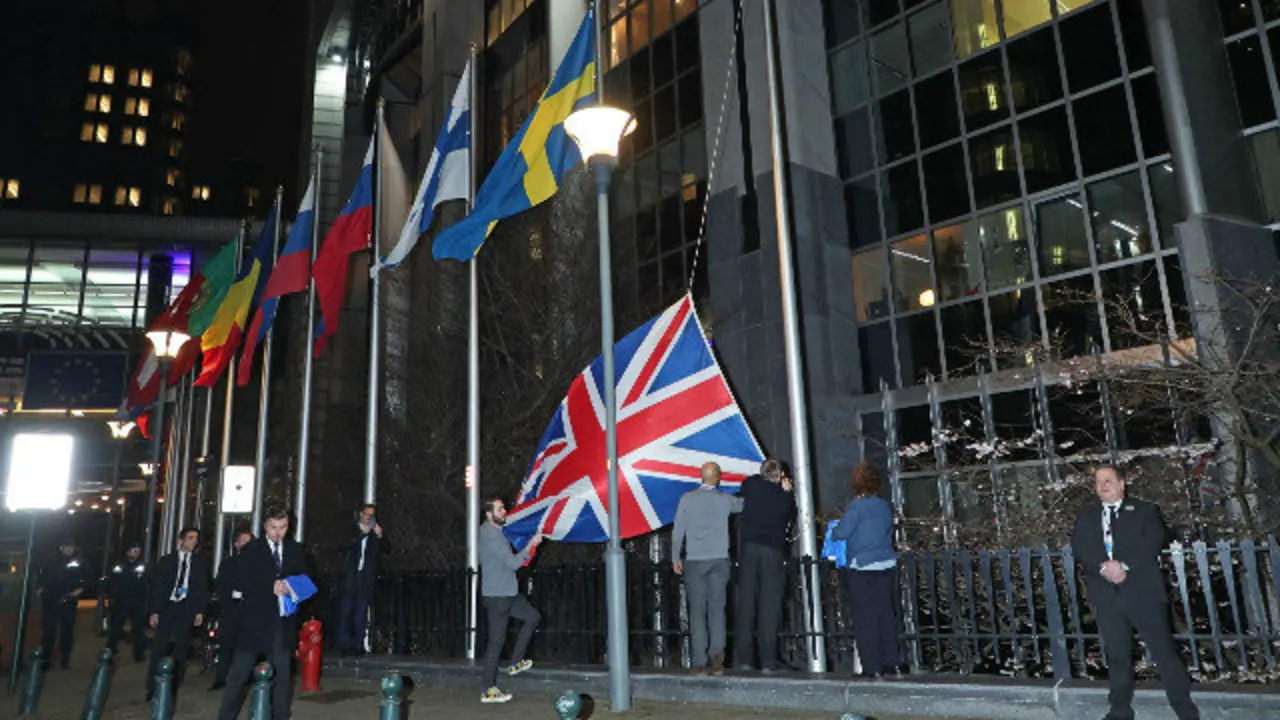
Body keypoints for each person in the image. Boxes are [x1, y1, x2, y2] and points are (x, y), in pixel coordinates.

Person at [1072, 465, 1200, 720]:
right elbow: (1080, 547)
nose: (1102, 485)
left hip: (1143, 595)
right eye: (1098, 482)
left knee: (1164, 652)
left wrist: (1124, 565)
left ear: (1122, 484)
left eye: (1108, 480)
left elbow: (1152, 541)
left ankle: (1184, 710)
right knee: (1117, 655)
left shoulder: (1144, 511)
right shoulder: (1086, 515)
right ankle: (1119, 709)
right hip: (1107, 595)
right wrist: (1103, 567)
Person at [217, 506, 307, 720]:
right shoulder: (252, 550)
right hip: (254, 623)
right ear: (265, 526)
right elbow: (240, 580)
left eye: (283, 527)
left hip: (282, 622)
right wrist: (270, 586)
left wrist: (291, 586)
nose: (278, 533)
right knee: (239, 674)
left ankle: (279, 716)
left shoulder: (295, 550)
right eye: (274, 527)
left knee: (282, 677)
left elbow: (308, 581)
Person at [672, 462, 744, 676]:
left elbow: (678, 533)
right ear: (718, 478)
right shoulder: (724, 500)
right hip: (720, 559)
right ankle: (717, 657)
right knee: (717, 609)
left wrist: (676, 557)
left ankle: (699, 661)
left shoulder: (687, 499)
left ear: (701, 477)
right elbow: (745, 506)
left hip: (695, 560)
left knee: (697, 612)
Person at [832, 463, 901, 679]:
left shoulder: (856, 507)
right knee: (885, 614)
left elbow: (842, 533)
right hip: (886, 563)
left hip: (862, 566)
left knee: (865, 618)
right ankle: (892, 662)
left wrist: (834, 528)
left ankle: (872, 667)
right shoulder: (884, 506)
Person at [733, 458, 795, 673]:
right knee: (769, 606)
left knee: (747, 604)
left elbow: (750, 483)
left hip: (749, 549)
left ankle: (743, 659)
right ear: (779, 477)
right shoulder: (783, 498)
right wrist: (786, 491)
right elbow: (790, 516)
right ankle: (768, 661)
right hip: (772, 551)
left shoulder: (750, 485)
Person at [478, 497, 542, 704]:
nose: (504, 511)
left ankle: (515, 661)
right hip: (498, 597)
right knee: (496, 642)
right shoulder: (491, 535)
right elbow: (514, 563)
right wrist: (531, 544)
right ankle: (488, 689)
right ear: (489, 514)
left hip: (508, 593)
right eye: (500, 509)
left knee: (532, 617)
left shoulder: (494, 532)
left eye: (504, 507)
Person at [148, 527, 209, 699]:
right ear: (180, 540)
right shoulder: (167, 561)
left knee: (181, 649)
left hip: (186, 608)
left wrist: (200, 611)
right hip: (168, 607)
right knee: (159, 647)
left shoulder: (199, 562)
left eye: (196, 538)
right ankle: (152, 687)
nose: (194, 542)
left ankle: (174, 686)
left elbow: (202, 588)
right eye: (190, 538)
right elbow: (158, 588)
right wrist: (155, 611)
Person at [336, 503, 390, 656]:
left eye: (372, 515)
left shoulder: (374, 533)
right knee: (346, 611)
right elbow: (344, 546)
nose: (369, 518)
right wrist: (361, 535)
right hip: (350, 577)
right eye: (367, 514)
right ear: (360, 515)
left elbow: (387, 549)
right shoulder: (351, 530)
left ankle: (358, 646)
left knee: (361, 614)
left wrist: (380, 536)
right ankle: (343, 645)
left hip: (365, 578)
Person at [210, 530, 254, 691]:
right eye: (243, 541)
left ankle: (246, 678)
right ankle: (220, 678)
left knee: (248, 647)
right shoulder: (228, 563)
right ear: (236, 545)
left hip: (250, 612)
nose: (247, 544)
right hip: (231, 610)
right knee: (226, 645)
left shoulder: (259, 564)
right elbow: (221, 585)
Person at [38, 536, 89, 669]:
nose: (69, 549)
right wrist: (41, 589)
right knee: (49, 632)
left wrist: (80, 589)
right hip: (51, 600)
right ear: (61, 548)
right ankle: (46, 660)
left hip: (68, 601)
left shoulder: (80, 561)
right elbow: (41, 575)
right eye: (66, 546)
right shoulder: (51, 560)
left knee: (67, 632)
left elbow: (89, 577)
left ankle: (65, 659)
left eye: (71, 546)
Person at [106, 540, 149, 662]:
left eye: (138, 551)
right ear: (127, 552)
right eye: (133, 550)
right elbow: (111, 582)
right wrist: (111, 596)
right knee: (115, 629)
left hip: (137, 603)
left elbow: (148, 582)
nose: (136, 553)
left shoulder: (142, 566)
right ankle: (110, 652)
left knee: (138, 630)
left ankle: (138, 654)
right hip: (120, 602)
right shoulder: (119, 565)